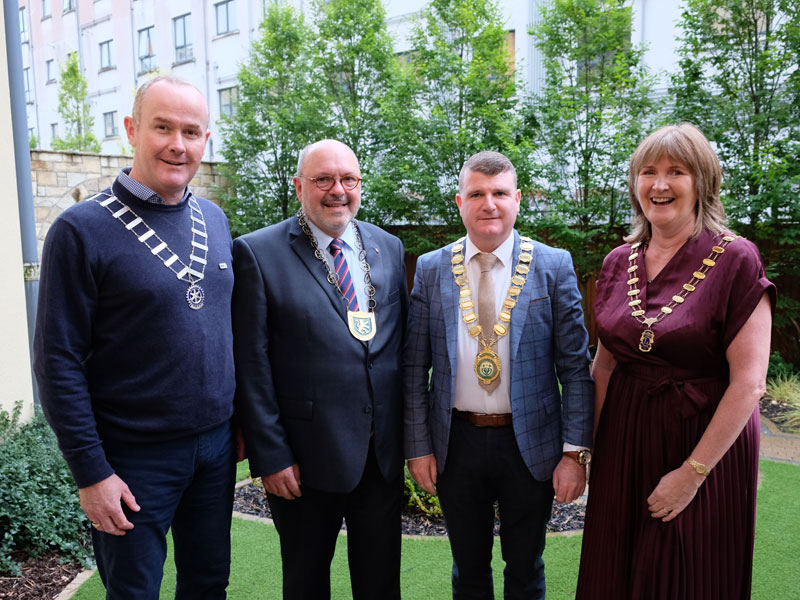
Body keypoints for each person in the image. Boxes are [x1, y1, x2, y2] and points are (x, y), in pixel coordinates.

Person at [33, 75, 237, 598]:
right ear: (131, 129)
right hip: (132, 457)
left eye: (191, 132)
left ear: (205, 141)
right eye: (162, 127)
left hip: (214, 451)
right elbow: (57, 361)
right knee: (134, 592)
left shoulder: (214, 219)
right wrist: (91, 472)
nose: (178, 144)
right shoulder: (80, 230)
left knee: (209, 583)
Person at [575, 123, 775, 599]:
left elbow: (748, 384)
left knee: (688, 573)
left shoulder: (736, 259)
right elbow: (603, 367)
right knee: (614, 569)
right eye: (648, 172)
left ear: (702, 183)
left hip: (702, 442)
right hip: (624, 435)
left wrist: (691, 475)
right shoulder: (616, 261)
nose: (659, 185)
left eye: (676, 172)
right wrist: (589, 454)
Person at [404, 150, 594, 599]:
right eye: (477, 194)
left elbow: (575, 368)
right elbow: (414, 367)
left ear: (517, 200)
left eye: (500, 193)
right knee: (467, 569)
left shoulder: (553, 265)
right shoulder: (432, 270)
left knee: (525, 567)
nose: (489, 203)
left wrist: (575, 455)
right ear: (459, 202)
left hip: (531, 444)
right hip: (456, 442)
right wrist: (418, 448)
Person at [231, 139, 408, 599]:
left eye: (349, 179)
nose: (338, 191)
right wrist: (270, 455)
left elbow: (399, 351)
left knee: (381, 583)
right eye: (323, 179)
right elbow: (252, 365)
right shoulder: (257, 252)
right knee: (307, 584)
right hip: (304, 461)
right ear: (299, 186)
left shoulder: (387, 247)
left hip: (379, 456)